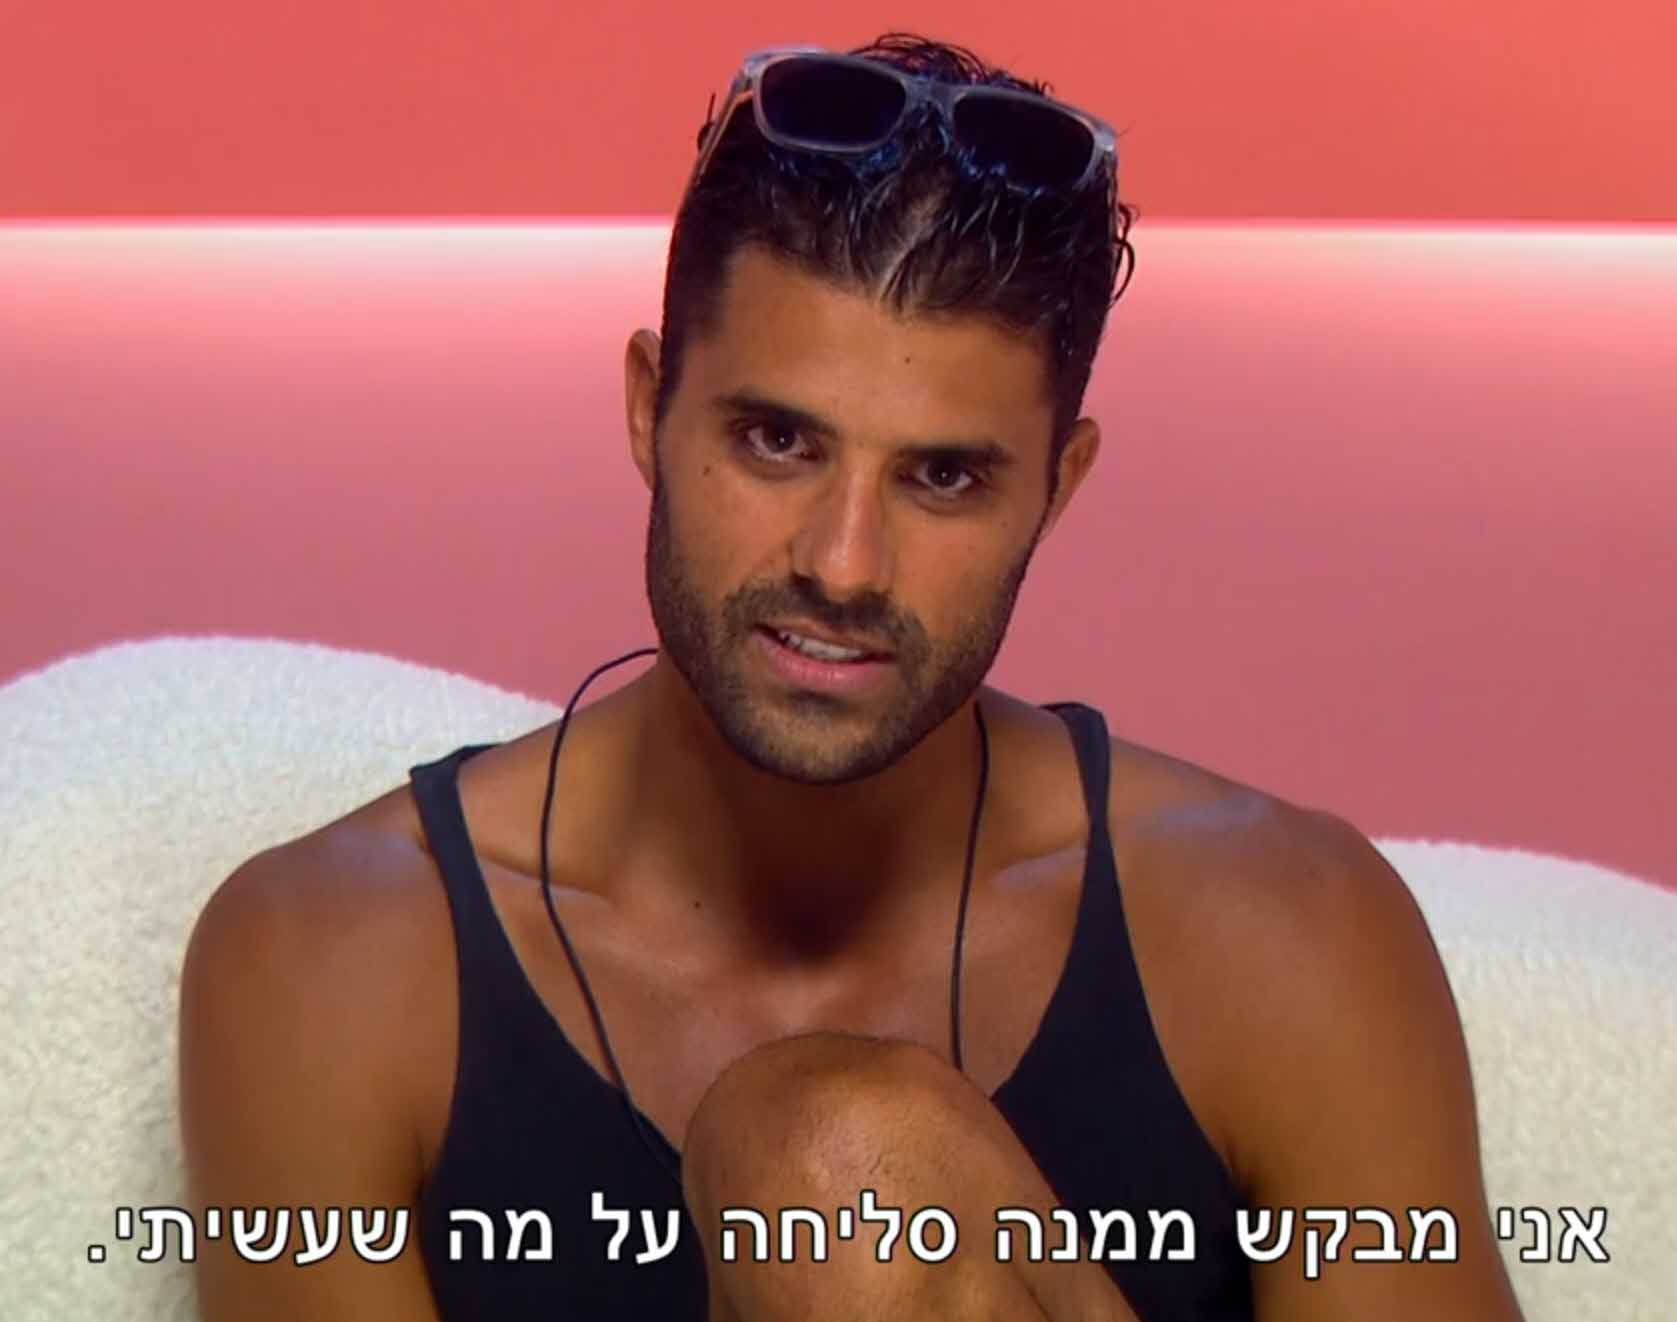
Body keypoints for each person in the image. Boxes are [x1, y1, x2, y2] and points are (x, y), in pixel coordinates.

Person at [178, 32, 1526, 1322]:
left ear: (1057, 490)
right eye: (777, 441)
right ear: (649, 407)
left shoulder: (1283, 934)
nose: (842, 563)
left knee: (837, 1175)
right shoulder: (336, 965)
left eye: (943, 476)